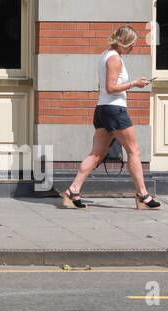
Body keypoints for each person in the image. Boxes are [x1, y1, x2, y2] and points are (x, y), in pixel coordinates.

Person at [60, 25, 161, 210]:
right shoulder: (114, 59)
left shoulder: (106, 55)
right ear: (123, 42)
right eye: (132, 44)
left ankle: (72, 192)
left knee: (96, 154)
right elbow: (110, 87)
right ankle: (143, 196)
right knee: (134, 151)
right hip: (115, 110)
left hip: (103, 109)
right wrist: (134, 83)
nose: (133, 48)